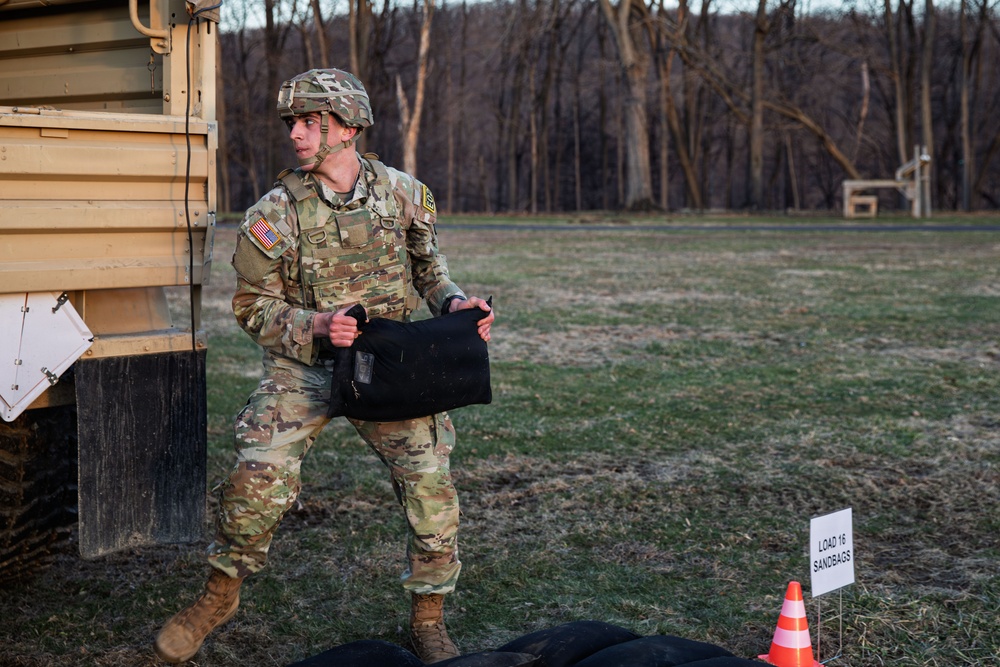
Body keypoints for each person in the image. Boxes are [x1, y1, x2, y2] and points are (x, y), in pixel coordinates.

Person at [154, 68, 494, 665]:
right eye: (293, 123)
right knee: (254, 482)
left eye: (311, 121)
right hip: (305, 369)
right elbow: (251, 306)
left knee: (432, 489)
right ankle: (219, 594)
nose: (297, 134)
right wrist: (315, 325)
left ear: (349, 126)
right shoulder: (274, 214)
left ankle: (429, 617)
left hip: (387, 364)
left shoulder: (405, 195)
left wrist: (454, 303)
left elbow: (429, 271)